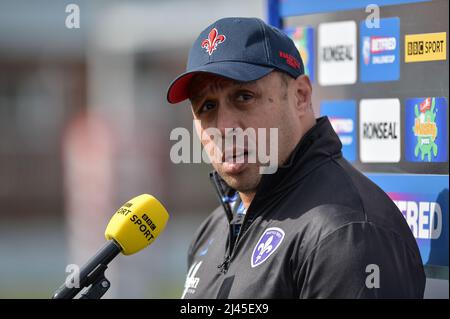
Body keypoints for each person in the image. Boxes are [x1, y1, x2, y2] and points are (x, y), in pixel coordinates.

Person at [166, 17, 425, 298]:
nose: (224, 126)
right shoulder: (214, 228)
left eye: (243, 96)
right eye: (207, 106)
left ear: (300, 96)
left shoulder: (346, 233)